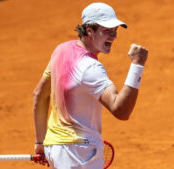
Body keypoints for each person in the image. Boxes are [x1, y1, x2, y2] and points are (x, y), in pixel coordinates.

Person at [33, 2, 148, 169]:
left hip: (55, 148)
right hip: (78, 153)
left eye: (115, 31)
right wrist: (137, 65)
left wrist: (40, 142)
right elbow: (121, 110)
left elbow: (39, 94)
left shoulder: (60, 50)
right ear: (89, 31)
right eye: (107, 31)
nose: (113, 36)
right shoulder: (89, 67)